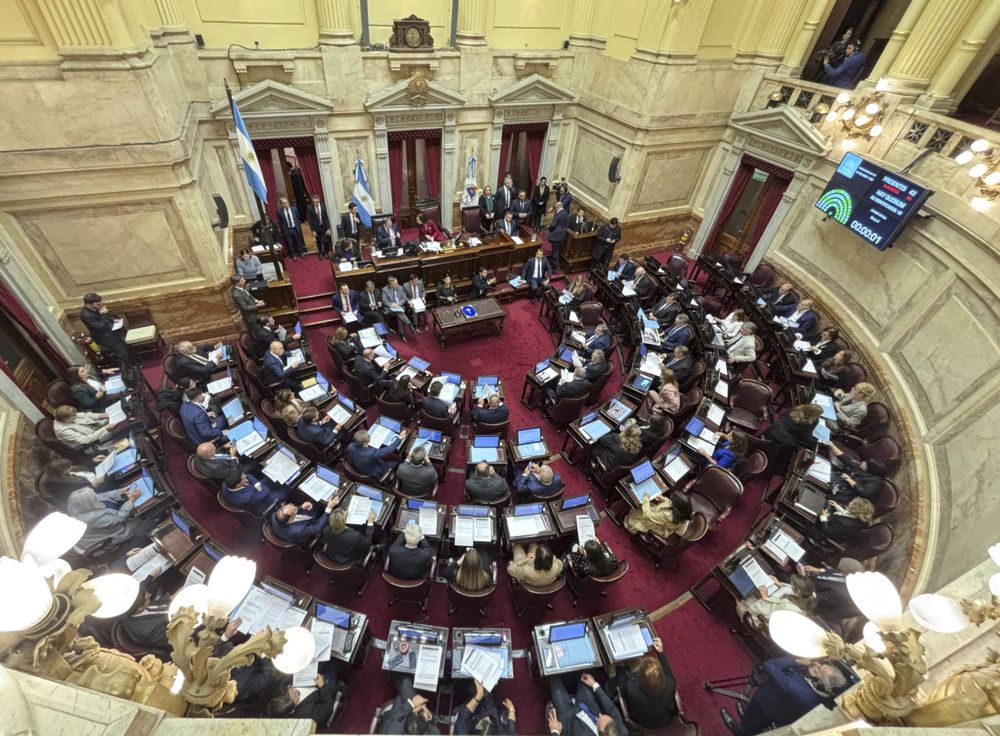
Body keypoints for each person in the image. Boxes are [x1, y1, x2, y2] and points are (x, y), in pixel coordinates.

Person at [720, 656, 850, 735]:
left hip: (765, 703)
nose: (817, 665)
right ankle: (748, 720)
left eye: (820, 670)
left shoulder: (795, 688)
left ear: (820, 683)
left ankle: (741, 730)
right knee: (757, 721)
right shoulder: (827, 698)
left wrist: (798, 661)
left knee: (752, 720)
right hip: (781, 714)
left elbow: (770, 665)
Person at [606, 636, 677, 730]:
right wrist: (661, 652)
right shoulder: (671, 683)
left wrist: (619, 664)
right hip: (662, 718)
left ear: (640, 679)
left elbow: (621, 680)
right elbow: (667, 670)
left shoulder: (632, 690)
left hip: (641, 722)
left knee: (610, 680)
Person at [66, 485, 156, 551]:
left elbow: (103, 495)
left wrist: (121, 491)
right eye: (93, 498)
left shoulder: (79, 505)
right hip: (116, 532)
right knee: (140, 519)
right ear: (88, 503)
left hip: (110, 523)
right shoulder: (93, 520)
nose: (96, 497)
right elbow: (118, 518)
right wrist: (131, 500)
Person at [546, 672, 627, 736]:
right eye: (602, 715)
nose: (599, 715)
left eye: (599, 720)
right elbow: (612, 709)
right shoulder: (622, 732)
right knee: (584, 674)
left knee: (553, 678)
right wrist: (595, 685)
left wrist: (555, 731)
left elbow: (556, 731)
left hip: (568, 720)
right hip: (588, 707)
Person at [266, 664, 344, 727]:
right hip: (323, 691)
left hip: (308, 678)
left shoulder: (280, 691)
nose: (295, 690)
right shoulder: (307, 715)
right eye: (296, 695)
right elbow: (327, 707)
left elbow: (287, 679)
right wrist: (323, 686)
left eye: (291, 688)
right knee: (332, 667)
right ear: (292, 710)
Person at [737, 574, 816, 631]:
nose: (790, 587)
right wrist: (780, 585)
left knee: (744, 598)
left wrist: (765, 597)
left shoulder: (787, 606)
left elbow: (762, 612)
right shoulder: (808, 598)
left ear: (797, 591)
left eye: (792, 586)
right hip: (779, 625)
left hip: (762, 625)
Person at [762, 404, 823, 475]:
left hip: (774, 429)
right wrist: (816, 442)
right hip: (782, 440)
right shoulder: (806, 423)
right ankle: (778, 467)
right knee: (795, 447)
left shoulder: (796, 408)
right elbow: (805, 438)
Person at [79, 293, 129, 366]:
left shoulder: (95, 307)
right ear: (88, 304)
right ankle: (126, 370)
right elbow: (100, 327)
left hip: (110, 332)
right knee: (121, 353)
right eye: (97, 304)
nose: (99, 305)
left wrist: (113, 320)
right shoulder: (86, 315)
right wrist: (104, 314)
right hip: (103, 337)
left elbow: (104, 317)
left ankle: (130, 365)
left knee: (124, 349)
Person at [268, 498, 337, 544]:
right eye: (295, 509)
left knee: (314, 503)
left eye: (290, 505)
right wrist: (329, 508)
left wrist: (301, 507)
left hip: (296, 524)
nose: (295, 506)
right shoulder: (298, 531)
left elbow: (291, 512)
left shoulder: (275, 515)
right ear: (291, 519)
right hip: (305, 531)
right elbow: (318, 529)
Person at [624, 492, 692, 538]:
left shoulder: (667, 515)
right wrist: (662, 498)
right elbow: (671, 503)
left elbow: (647, 515)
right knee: (646, 506)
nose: (671, 501)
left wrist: (646, 498)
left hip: (658, 526)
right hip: (666, 523)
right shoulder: (685, 511)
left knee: (634, 516)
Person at [221, 472, 288, 516]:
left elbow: (248, 476)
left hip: (253, 491)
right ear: (238, 485)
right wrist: (256, 485)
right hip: (258, 505)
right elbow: (266, 491)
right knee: (282, 492)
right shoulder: (246, 498)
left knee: (269, 479)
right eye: (243, 478)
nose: (244, 475)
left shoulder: (225, 483)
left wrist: (255, 484)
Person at [382, 275, 418, 340]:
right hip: (390, 309)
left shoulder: (400, 287)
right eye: (395, 284)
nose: (397, 285)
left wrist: (399, 303)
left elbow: (404, 298)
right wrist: (392, 304)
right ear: (390, 285)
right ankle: (409, 324)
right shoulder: (385, 290)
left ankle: (402, 334)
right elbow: (384, 301)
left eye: (397, 282)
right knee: (399, 313)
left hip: (400, 307)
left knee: (399, 315)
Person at [306, 194, 332, 259]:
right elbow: (309, 220)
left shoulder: (323, 206)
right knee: (319, 241)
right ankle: (321, 253)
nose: (315, 203)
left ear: (319, 200)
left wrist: (328, 228)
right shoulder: (309, 207)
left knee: (326, 241)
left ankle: (326, 253)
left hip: (324, 227)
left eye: (317, 201)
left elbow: (326, 217)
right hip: (316, 228)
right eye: (314, 202)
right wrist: (313, 230)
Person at [547, 201, 569, 269]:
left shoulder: (558, 214)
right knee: (557, 250)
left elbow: (553, 225)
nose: (555, 209)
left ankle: (555, 265)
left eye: (555, 208)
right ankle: (555, 263)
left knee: (555, 251)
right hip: (562, 235)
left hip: (556, 235)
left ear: (558, 207)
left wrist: (549, 226)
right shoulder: (565, 213)